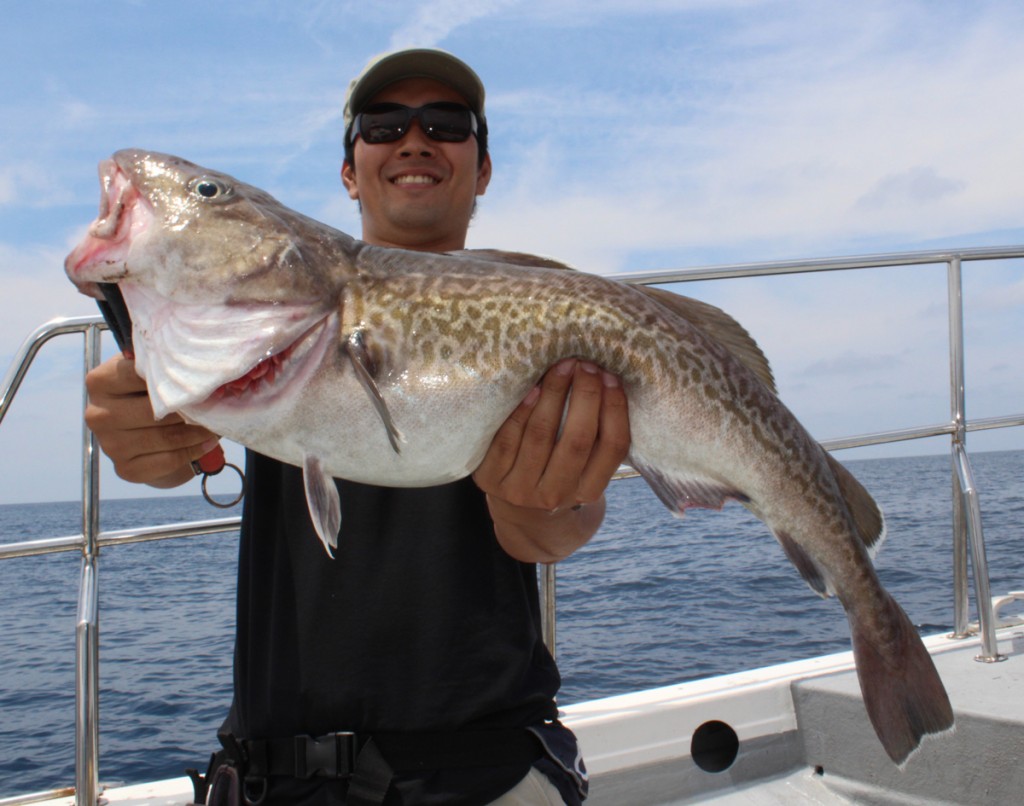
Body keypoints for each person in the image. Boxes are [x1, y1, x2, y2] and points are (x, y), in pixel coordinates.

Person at [84, 49, 630, 805]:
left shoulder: (544, 314)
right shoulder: (271, 316)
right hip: (268, 777)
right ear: (349, 172)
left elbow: (554, 532)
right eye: (382, 125)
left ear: (484, 168)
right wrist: (146, 434)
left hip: (484, 769)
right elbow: (164, 444)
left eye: (446, 123)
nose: (413, 140)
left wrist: (551, 500)